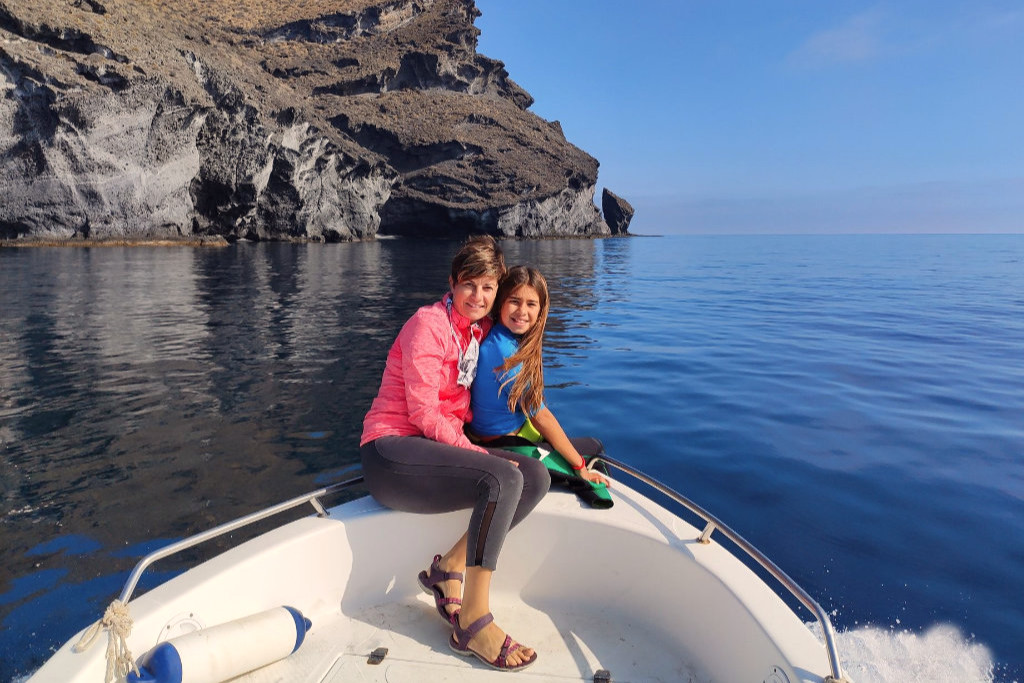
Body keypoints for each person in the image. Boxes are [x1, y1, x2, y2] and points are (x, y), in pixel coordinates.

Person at [360, 236, 547, 672]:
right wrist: (480, 456)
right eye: (470, 286)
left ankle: (447, 570)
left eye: (488, 288)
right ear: (452, 283)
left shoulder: (477, 331)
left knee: (535, 477)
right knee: (504, 478)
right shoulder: (428, 324)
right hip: (390, 453)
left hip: (432, 449)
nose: (479, 297)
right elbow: (424, 412)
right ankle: (474, 622)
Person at [469, 265, 610, 492]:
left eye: (531, 304)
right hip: (500, 444)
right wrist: (580, 467)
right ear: (501, 303)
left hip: (513, 431)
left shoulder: (506, 338)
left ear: (541, 310)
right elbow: (541, 417)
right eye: (514, 301)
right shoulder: (504, 352)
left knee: (591, 446)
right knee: (593, 447)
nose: (522, 311)